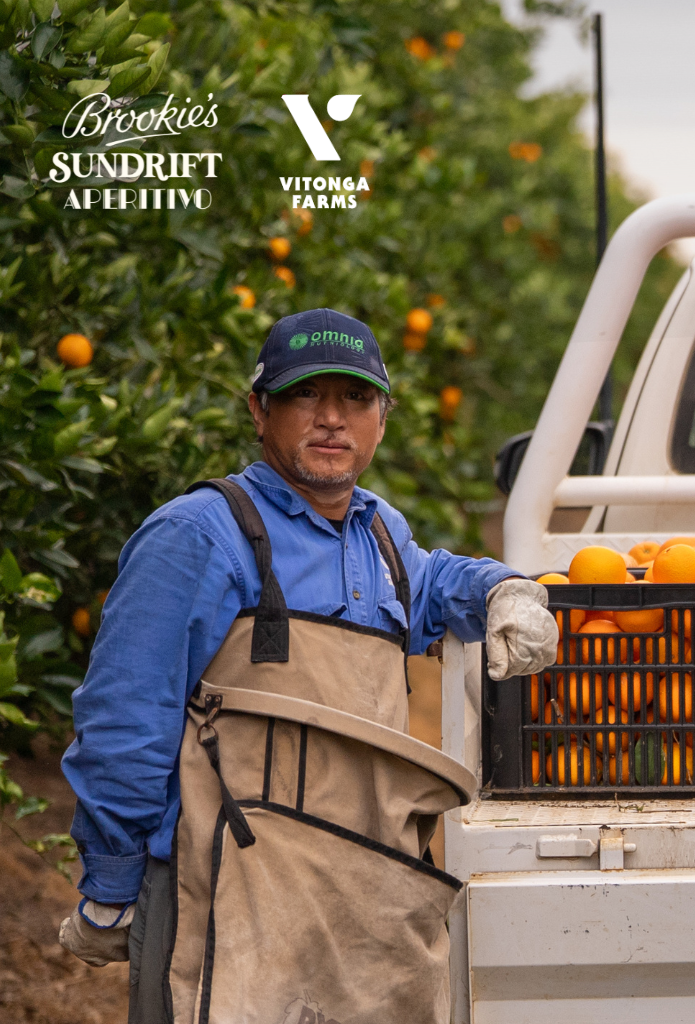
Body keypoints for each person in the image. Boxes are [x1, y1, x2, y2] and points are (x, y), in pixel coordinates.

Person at [57, 308, 560, 1023]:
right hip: (226, 890)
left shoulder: (380, 534)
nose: (332, 419)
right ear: (259, 410)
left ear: (382, 419)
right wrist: (113, 885)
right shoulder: (199, 535)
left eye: (355, 398)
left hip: (361, 890)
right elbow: (124, 720)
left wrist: (503, 591)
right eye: (305, 396)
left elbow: (437, 579)